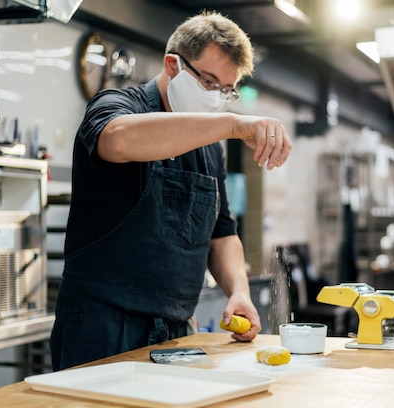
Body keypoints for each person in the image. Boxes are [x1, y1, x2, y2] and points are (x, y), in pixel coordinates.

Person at [50, 10, 292, 371]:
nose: (216, 97)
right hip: (102, 324)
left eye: (225, 90)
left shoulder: (210, 148)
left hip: (176, 328)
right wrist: (230, 123)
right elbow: (117, 141)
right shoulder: (115, 105)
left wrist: (238, 290)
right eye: (209, 82)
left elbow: (222, 234)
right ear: (173, 65)